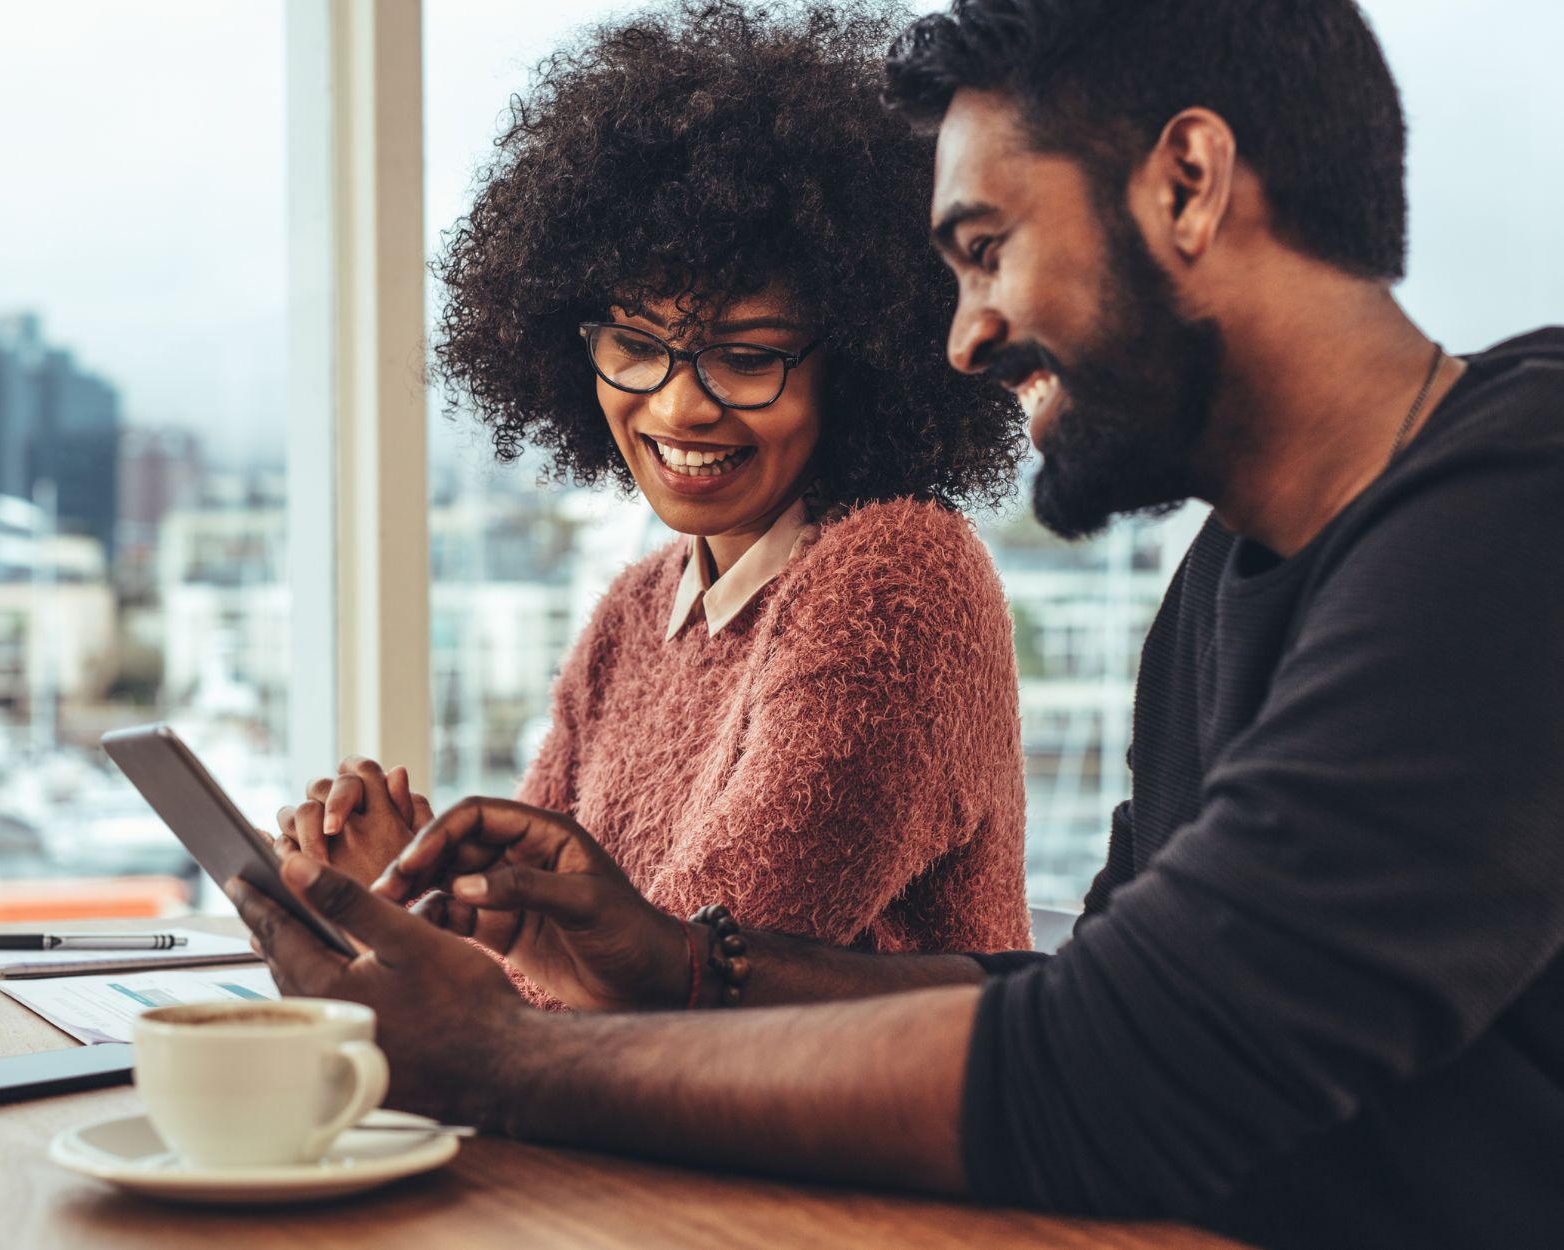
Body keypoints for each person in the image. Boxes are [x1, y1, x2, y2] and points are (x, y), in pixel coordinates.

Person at [228, 1, 1564, 1247]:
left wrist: (495, 1059)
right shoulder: (1223, 582)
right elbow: (1069, 995)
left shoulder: (1526, 495)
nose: (965, 336)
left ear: (1188, 183)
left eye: (986, 251)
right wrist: (682, 964)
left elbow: (1125, 1064)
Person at [277, 0, 1034, 985]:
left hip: (812, 1138)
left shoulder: (898, 582)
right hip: (625, 1135)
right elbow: (551, 968)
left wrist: (412, 923)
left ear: (858, 362)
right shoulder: (635, 613)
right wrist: (410, 889)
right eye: (636, 346)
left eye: (747, 356)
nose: (679, 404)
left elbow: (674, 981)